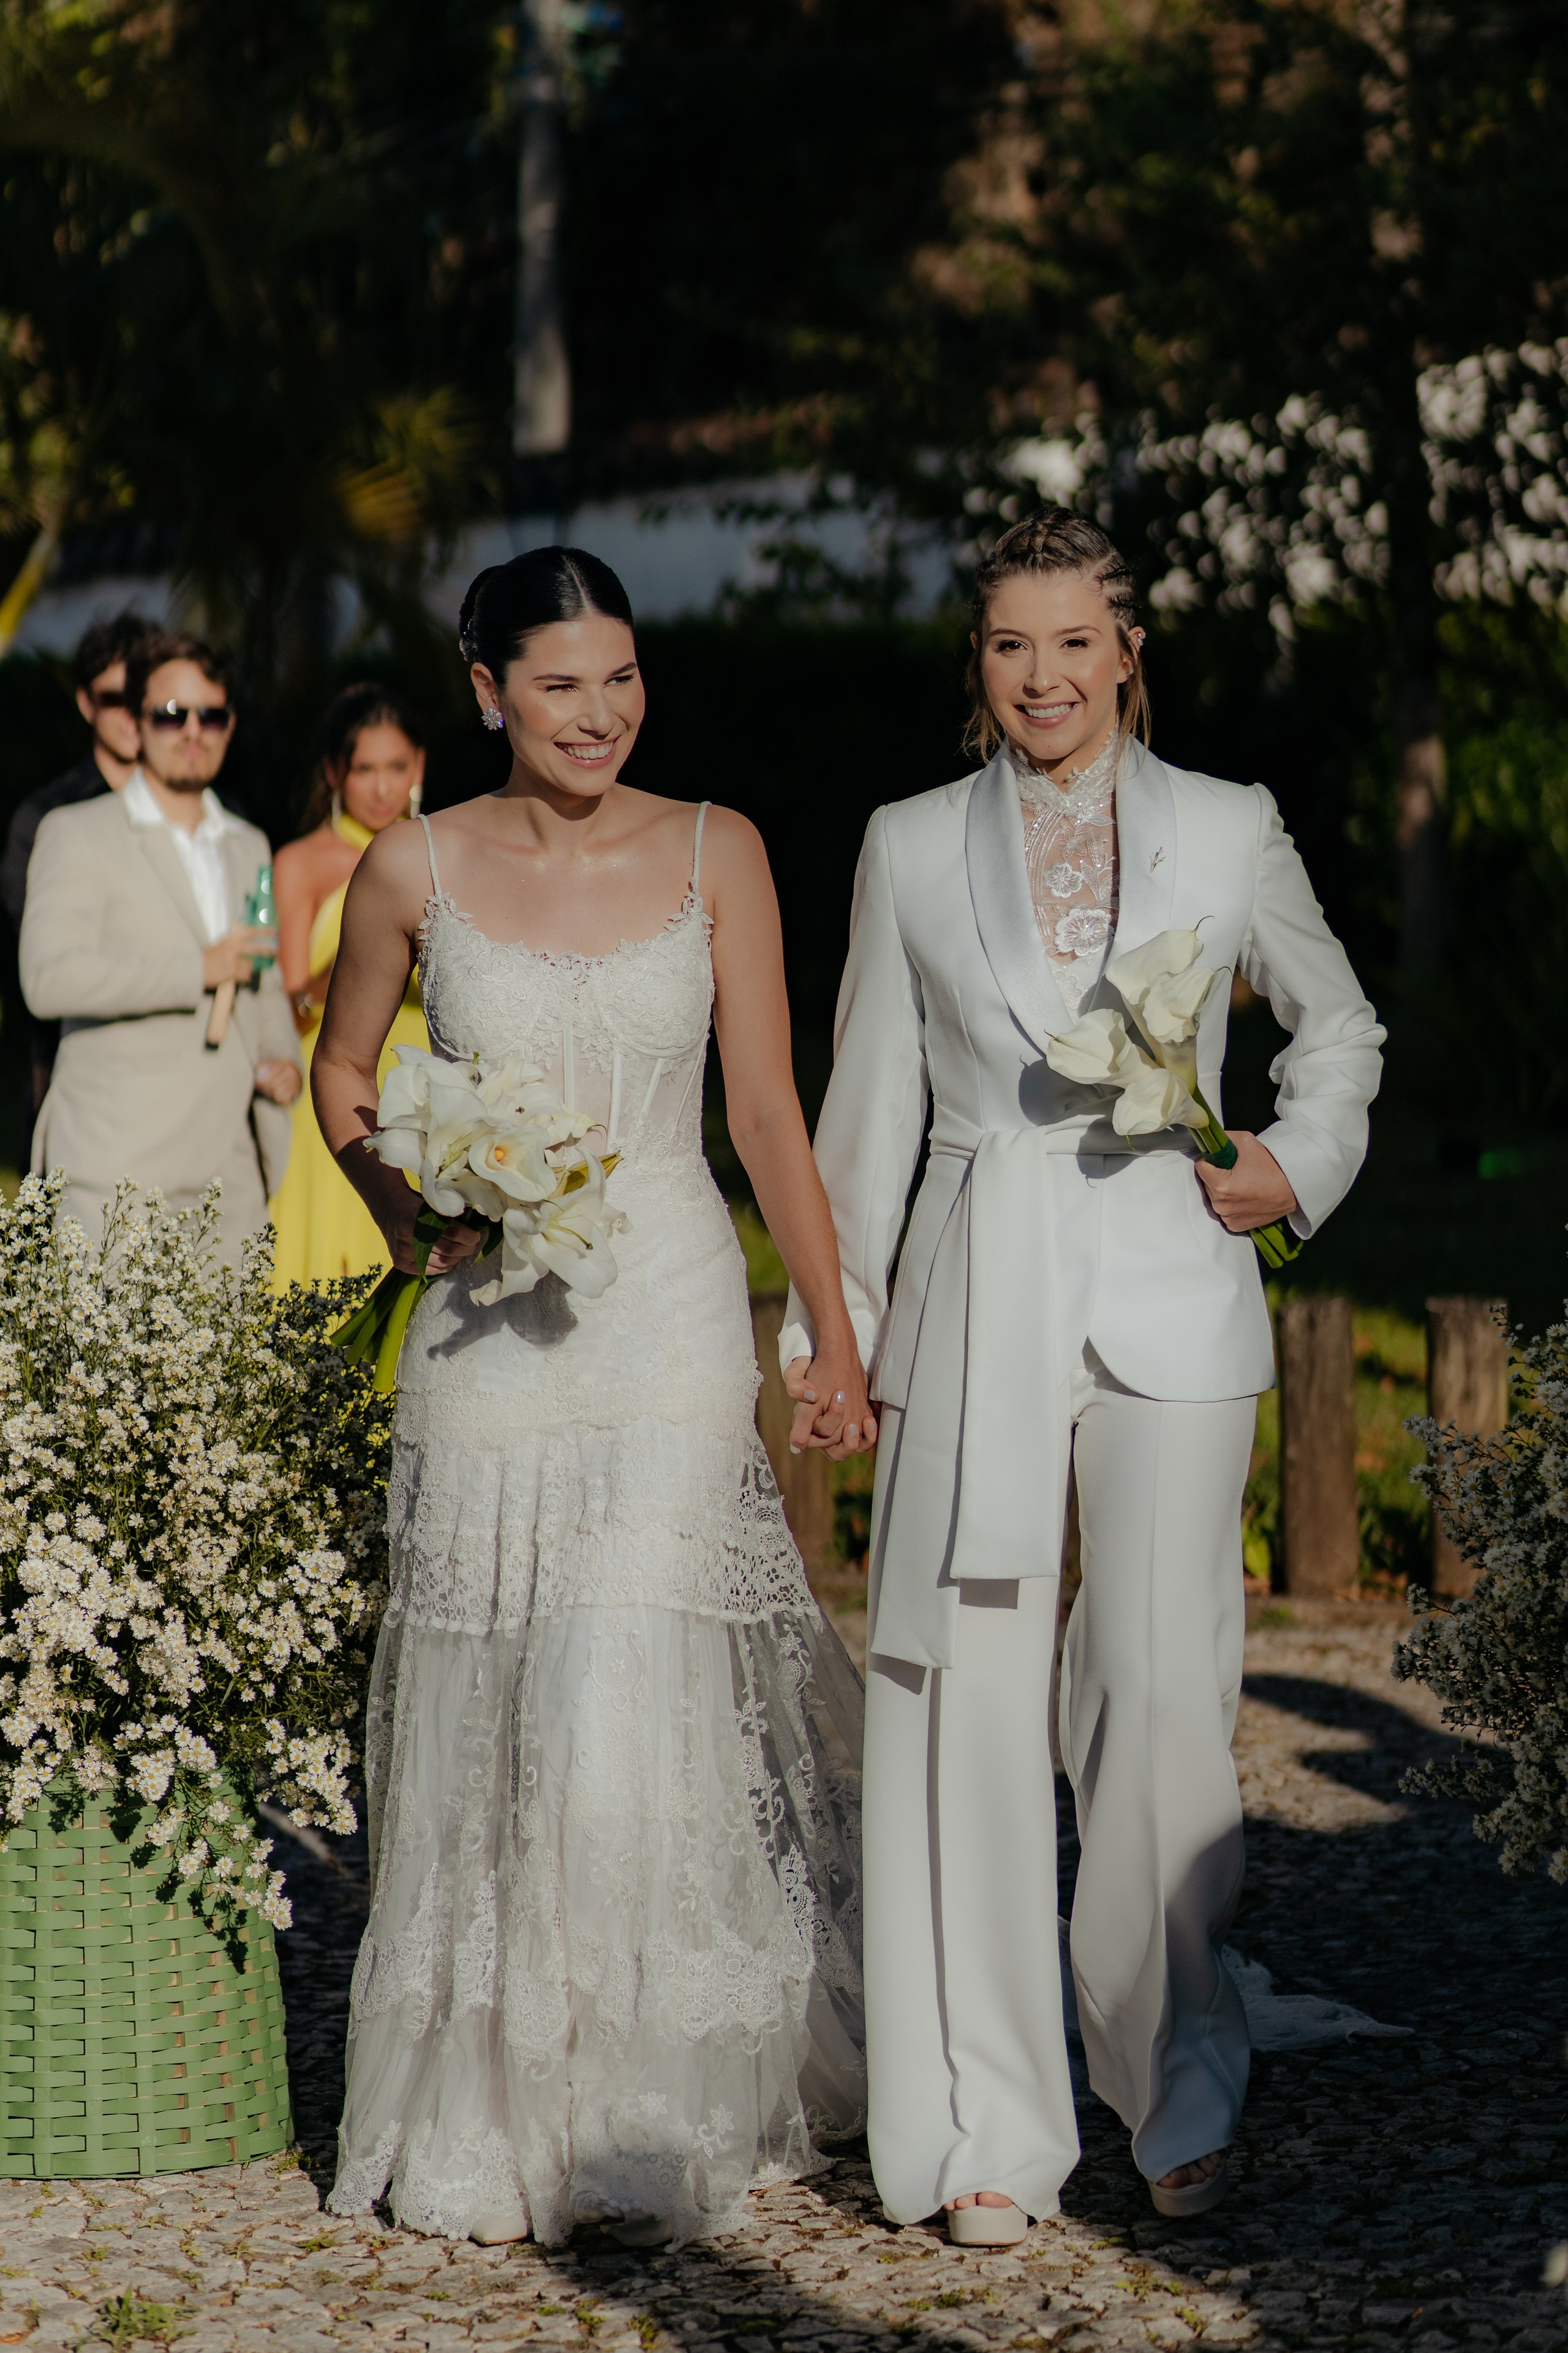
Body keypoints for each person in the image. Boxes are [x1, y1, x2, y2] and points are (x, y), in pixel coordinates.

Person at [780, 508, 1385, 2240]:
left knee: (1158, 1689)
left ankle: (1179, 2074)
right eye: (1006, 644)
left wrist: (1297, 1159)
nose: (1041, 675)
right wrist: (840, 1335)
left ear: (1130, 648)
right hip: (978, 1283)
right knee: (961, 1688)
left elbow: (1335, 1021)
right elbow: (868, 1115)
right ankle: (984, 2113)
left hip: (1178, 1296)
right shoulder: (904, 847)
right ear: (975, 665)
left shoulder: (1226, 825)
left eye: (1072, 641)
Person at [313, 547, 874, 2249]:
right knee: (497, 1698)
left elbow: (770, 1114)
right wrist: (415, 1221)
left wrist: (830, 1339)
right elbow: (347, 1078)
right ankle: (495, 2104)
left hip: (671, 1313)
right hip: (490, 1335)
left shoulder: (724, 850)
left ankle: (638, 2113)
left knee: (621, 1687)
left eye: (622, 677)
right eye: (562, 683)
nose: (601, 713)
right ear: (488, 692)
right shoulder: (413, 864)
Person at [20, 630, 302, 1258]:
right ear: (137, 721)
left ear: (230, 725)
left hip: (230, 1180)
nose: (192, 730)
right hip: (114, 1172)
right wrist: (197, 968)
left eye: (212, 714)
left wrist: (284, 1055)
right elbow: (47, 979)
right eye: (172, 714)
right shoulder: (75, 833)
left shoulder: (248, 842)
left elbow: (264, 976)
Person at [268, 684, 430, 1289]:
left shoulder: (443, 857)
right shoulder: (301, 863)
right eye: (365, 769)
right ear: (335, 772)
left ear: (419, 765)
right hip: (335, 1091)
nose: (384, 787)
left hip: (419, 1090)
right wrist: (349, 966)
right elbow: (287, 1007)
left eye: (396, 767)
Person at [1, 611, 160, 1148]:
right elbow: (43, 963)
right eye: (116, 698)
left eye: (146, 694)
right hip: (74, 1064)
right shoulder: (45, 818)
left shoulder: (207, 820)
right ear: (86, 702)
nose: (134, 713)